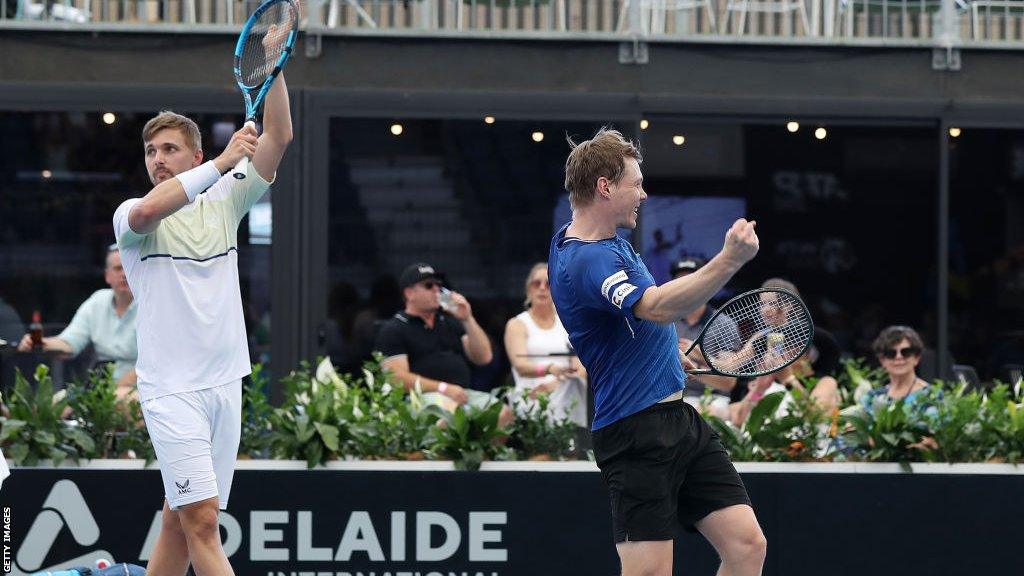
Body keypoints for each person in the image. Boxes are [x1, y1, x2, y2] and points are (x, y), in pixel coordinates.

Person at [549, 127, 765, 576]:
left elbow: (633, 324)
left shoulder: (608, 244)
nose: (644, 195)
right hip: (633, 432)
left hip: (680, 421)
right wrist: (729, 260)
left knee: (747, 547)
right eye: (636, 184)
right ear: (604, 187)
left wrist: (666, 354)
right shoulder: (586, 260)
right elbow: (655, 306)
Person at [112, 62, 292, 576]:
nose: (158, 159)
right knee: (204, 524)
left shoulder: (228, 199)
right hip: (171, 389)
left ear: (190, 154)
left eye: (169, 149)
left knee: (177, 519)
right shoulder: (132, 215)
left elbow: (279, 134)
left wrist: (275, 67)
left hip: (224, 384)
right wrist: (222, 161)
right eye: (151, 151)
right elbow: (149, 213)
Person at [376, 262, 513, 427]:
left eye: (438, 285)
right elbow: (397, 378)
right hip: (422, 398)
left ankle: (486, 453)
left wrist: (467, 319)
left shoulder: (449, 322)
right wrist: (443, 388)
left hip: (461, 395)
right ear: (409, 293)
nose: (436, 290)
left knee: (503, 414)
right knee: (449, 415)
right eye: (429, 285)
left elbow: (484, 357)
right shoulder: (394, 328)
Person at [17, 245, 138, 398]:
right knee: (55, 403)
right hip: (100, 387)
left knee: (121, 400)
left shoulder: (151, 304)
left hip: (140, 389)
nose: (124, 274)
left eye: (128, 267)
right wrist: (41, 342)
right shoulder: (97, 301)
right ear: (107, 275)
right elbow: (69, 343)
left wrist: (115, 389)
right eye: (118, 268)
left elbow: (155, 363)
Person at [730, 277, 842, 426]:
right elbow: (739, 421)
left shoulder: (825, 382)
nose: (779, 353)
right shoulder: (769, 384)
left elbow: (815, 417)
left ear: (808, 355)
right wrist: (758, 391)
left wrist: (789, 380)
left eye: (789, 347)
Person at [504, 262, 587, 427]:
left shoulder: (567, 324)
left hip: (565, 390)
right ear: (529, 289)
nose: (542, 288)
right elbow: (520, 366)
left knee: (575, 386)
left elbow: (581, 368)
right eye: (537, 283)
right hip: (532, 395)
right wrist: (549, 369)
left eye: (548, 284)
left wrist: (555, 385)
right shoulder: (517, 324)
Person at [670, 257, 740, 411]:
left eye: (691, 280)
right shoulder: (666, 322)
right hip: (672, 398)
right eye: (679, 282)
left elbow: (728, 383)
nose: (685, 286)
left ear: (705, 284)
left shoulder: (723, 324)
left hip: (713, 399)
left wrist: (699, 359)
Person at [861, 325, 933, 413]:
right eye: (891, 353)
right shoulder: (871, 398)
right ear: (882, 360)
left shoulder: (931, 396)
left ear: (916, 358)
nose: (898, 357)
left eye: (905, 352)